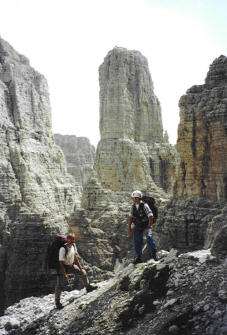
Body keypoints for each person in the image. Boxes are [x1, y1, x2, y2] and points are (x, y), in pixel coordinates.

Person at [55, 233, 97, 309]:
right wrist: (64, 274)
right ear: (67, 239)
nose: (72, 241)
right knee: (59, 285)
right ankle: (57, 302)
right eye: (70, 239)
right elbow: (61, 263)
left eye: (73, 239)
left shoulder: (73, 246)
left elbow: (75, 257)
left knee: (83, 273)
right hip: (63, 267)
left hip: (71, 265)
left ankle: (88, 287)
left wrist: (80, 267)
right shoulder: (63, 249)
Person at [128, 190, 157, 264]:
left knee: (149, 237)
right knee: (137, 241)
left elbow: (150, 216)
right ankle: (139, 257)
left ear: (137, 198)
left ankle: (154, 255)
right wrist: (129, 228)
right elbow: (131, 217)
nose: (132, 199)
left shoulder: (144, 205)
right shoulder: (133, 206)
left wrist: (148, 227)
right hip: (137, 226)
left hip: (146, 225)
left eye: (133, 198)